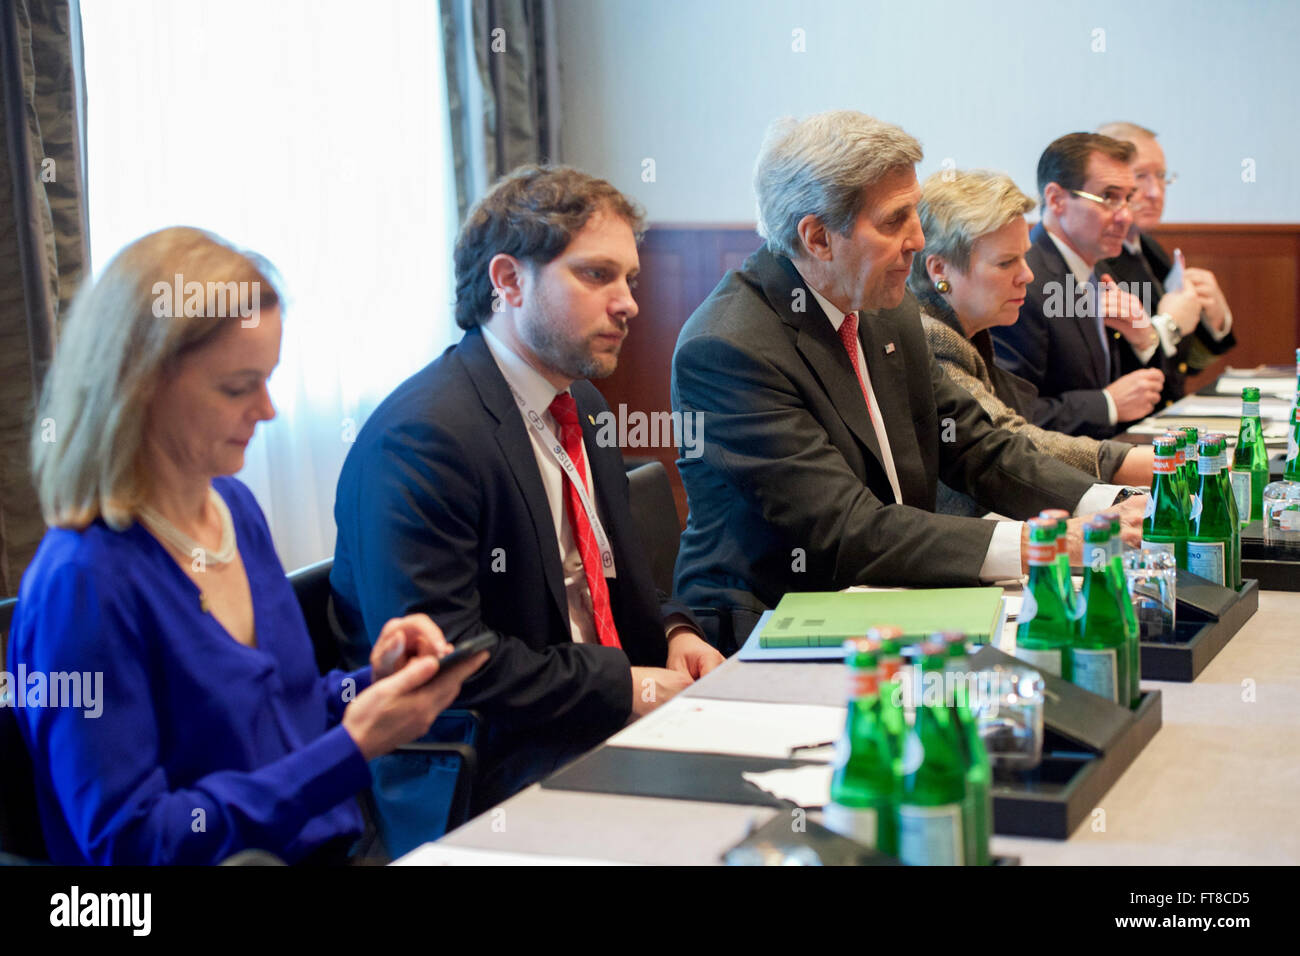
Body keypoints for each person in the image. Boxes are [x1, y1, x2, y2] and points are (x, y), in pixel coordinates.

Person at [5, 227, 485, 865]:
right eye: (238, 387)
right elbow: (134, 842)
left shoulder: (231, 511)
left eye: (268, 380)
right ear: (140, 387)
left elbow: (274, 713)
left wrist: (375, 684)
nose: (268, 410)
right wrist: (353, 748)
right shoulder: (83, 583)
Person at [670, 111, 1147, 653]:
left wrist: (1116, 505)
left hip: (895, 600)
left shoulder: (884, 309)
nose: (919, 239)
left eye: (915, 214)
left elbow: (980, 448)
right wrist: (1044, 543)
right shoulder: (729, 348)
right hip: (776, 627)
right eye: (895, 221)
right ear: (818, 237)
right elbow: (847, 528)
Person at [331, 165, 722, 808]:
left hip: (590, 725)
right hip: (492, 763)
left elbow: (598, 573)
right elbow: (447, 665)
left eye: (630, 279)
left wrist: (675, 631)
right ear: (508, 280)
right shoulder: (424, 438)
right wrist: (627, 688)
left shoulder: (582, 405)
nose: (628, 303)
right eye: (597, 274)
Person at [908, 168, 1155, 517]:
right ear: (940, 270)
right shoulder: (932, 336)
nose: (1027, 275)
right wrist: (1136, 463)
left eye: (1024, 256)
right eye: (1006, 262)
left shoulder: (968, 328)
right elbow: (1008, 444)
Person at [989, 133, 1171, 439]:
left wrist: (1144, 341)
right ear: (1057, 199)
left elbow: (1140, 391)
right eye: (1109, 197)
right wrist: (1107, 405)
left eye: (1128, 197)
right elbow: (1009, 418)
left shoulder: (1099, 269)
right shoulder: (1024, 282)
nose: (1125, 215)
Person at [1095, 121, 1236, 402]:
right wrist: (1169, 324)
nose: (1155, 192)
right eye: (1141, 176)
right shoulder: (1098, 256)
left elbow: (1184, 366)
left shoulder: (1147, 247)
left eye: (1160, 177)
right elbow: (1114, 371)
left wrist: (1215, 318)